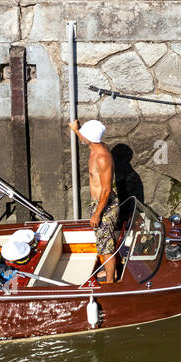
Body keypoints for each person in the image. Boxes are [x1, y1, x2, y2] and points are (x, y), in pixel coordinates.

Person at [70, 119, 119, 283]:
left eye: (83, 133)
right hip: (98, 203)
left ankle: (111, 282)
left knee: (106, 247)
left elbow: (106, 190)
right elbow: (85, 140)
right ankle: (110, 272)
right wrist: (76, 130)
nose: (82, 137)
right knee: (103, 242)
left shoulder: (102, 158)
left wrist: (97, 214)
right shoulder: (94, 146)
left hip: (104, 206)